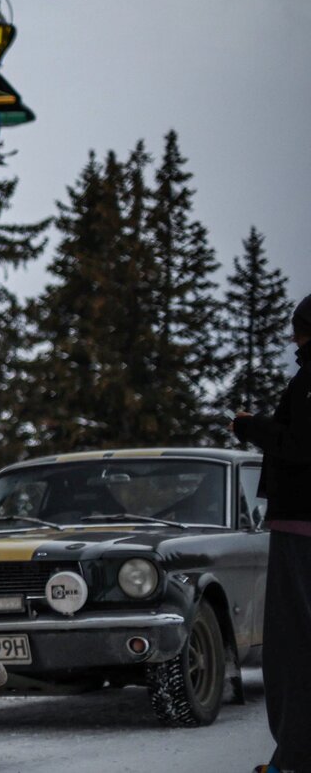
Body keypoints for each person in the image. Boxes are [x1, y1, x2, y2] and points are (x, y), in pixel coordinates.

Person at [234, 294, 311, 773]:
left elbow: (300, 446)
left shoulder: (309, 382)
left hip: (300, 527)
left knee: (293, 648)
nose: (292, 340)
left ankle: (294, 760)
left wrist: (250, 427)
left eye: (297, 330)